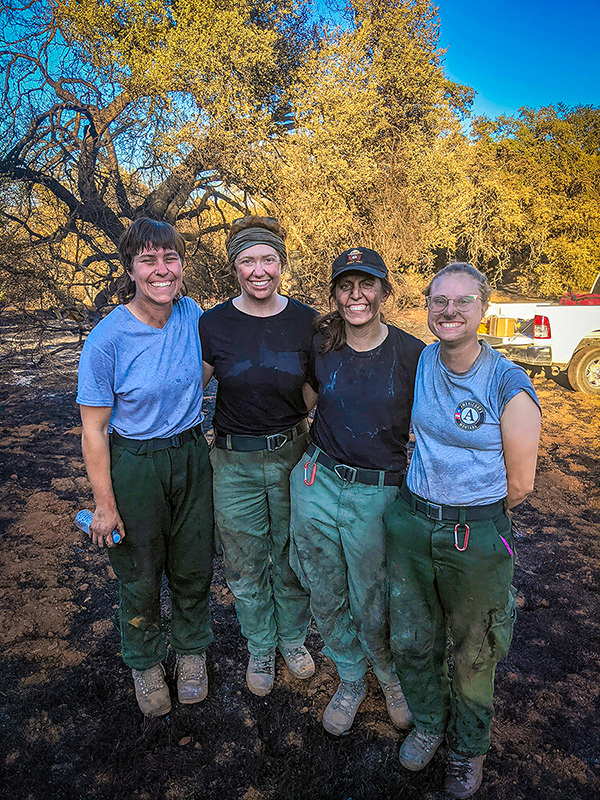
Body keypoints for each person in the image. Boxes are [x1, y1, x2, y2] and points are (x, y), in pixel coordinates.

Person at [383, 262, 541, 798]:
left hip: (474, 533)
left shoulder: (507, 384)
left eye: (462, 301)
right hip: (412, 522)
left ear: (483, 309)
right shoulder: (424, 359)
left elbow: (519, 484)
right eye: (439, 300)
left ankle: (467, 748)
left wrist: (469, 513)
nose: (448, 310)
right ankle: (429, 723)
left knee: (476, 647)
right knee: (411, 635)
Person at [77, 217, 213, 717]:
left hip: (191, 452)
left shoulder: (191, 314)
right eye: (148, 260)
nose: (162, 270)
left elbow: (205, 366)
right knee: (138, 571)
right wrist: (104, 505)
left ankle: (192, 653)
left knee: (194, 564)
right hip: (135, 460)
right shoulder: (108, 339)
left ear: (181, 265)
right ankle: (146, 662)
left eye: (170, 258)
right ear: (130, 268)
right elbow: (93, 431)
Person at [289, 246, 425, 735]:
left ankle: (389, 677)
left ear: (384, 291)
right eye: (346, 286)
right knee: (323, 588)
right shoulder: (322, 348)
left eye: (367, 284)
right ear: (335, 294)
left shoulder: (412, 355)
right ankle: (350, 677)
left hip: (377, 492)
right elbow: (306, 402)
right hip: (318, 482)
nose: (356, 295)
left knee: (373, 595)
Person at [199, 216, 316, 696]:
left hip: (293, 455)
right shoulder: (214, 323)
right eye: (247, 260)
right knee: (246, 563)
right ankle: (261, 647)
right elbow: (190, 389)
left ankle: (293, 640)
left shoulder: (308, 321)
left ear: (282, 264)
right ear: (235, 269)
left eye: (268, 259)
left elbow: (316, 390)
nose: (259, 269)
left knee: (293, 558)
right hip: (233, 463)